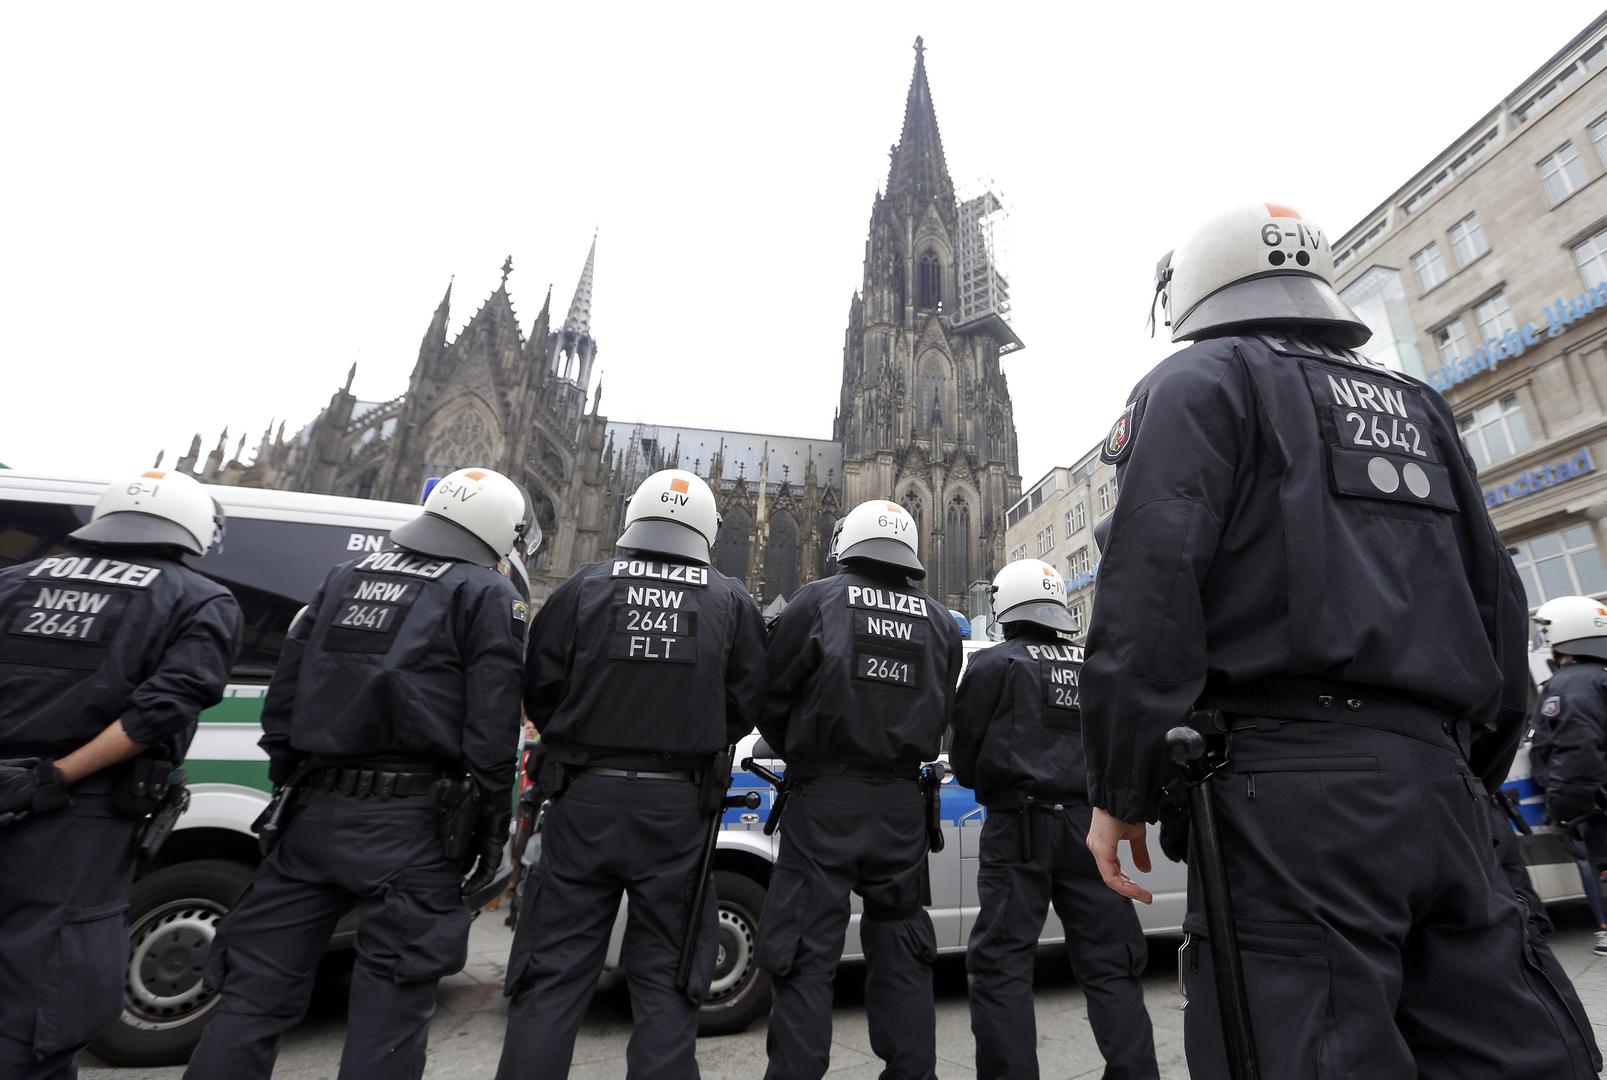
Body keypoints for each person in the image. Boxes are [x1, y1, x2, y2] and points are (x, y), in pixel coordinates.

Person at [1080, 203, 1600, 1078]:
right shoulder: (1417, 403)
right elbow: (1497, 598)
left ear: (1194, 291)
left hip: (1288, 792)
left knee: (1310, 1047)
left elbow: (1151, 589)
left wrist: (1121, 785)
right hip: (1441, 783)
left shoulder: (1199, 381)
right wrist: (1466, 768)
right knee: (1502, 1045)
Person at [185, 466, 531, 1080]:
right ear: (499, 531)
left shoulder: (346, 576)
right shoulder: (485, 593)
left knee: (252, 999)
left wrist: (296, 783)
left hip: (313, 811)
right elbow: (492, 728)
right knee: (390, 1010)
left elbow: (282, 701)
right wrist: (488, 831)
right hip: (416, 825)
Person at [496, 469, 766, 1080]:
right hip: (678, 810)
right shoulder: (729, 601)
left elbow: (540, 690)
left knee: (552, 980)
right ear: (707, 530)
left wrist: (587, 738)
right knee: (667, 984)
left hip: (581, 802)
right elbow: (746, 703)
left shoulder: (583, 588)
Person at [0, 469, 241, 1079]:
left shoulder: (16, 582)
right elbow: (160, 710)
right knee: (51, 986)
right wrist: (57, 775)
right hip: (77, 812)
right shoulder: (196, 598)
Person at [756, 499, 962, 1080]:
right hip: (902, 806)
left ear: (848, 545)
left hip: (824, 799)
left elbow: (771, 695)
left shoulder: (818, 600)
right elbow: (943, 706)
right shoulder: (941, 622)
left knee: (804, 954)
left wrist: (805, 750)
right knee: (903, 954)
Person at [951, 559, 1159, 1080]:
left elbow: (965, 758)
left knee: (1002, 965)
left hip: (1018, 828)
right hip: (1090, 828)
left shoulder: (994, 664)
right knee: (1111, 963)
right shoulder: (1094, 667)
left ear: (1005, 607)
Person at [1530, 594, 1607, 956]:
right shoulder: (1598, 677)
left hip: (1596, 802)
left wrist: (1564, 806)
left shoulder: (1571, 684)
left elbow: (1578, 749)